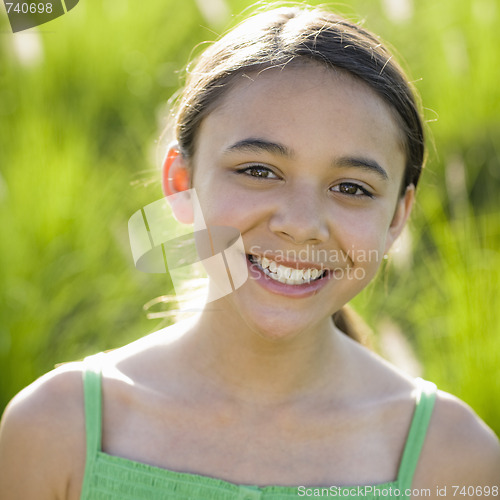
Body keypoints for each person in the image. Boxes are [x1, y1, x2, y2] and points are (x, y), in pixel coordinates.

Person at [0, 5, 498, 499]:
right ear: (180, 181)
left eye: (351, 187)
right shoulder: (57, 431)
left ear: (397, 217)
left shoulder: (454, 457)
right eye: (258, 171)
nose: (301, 225)